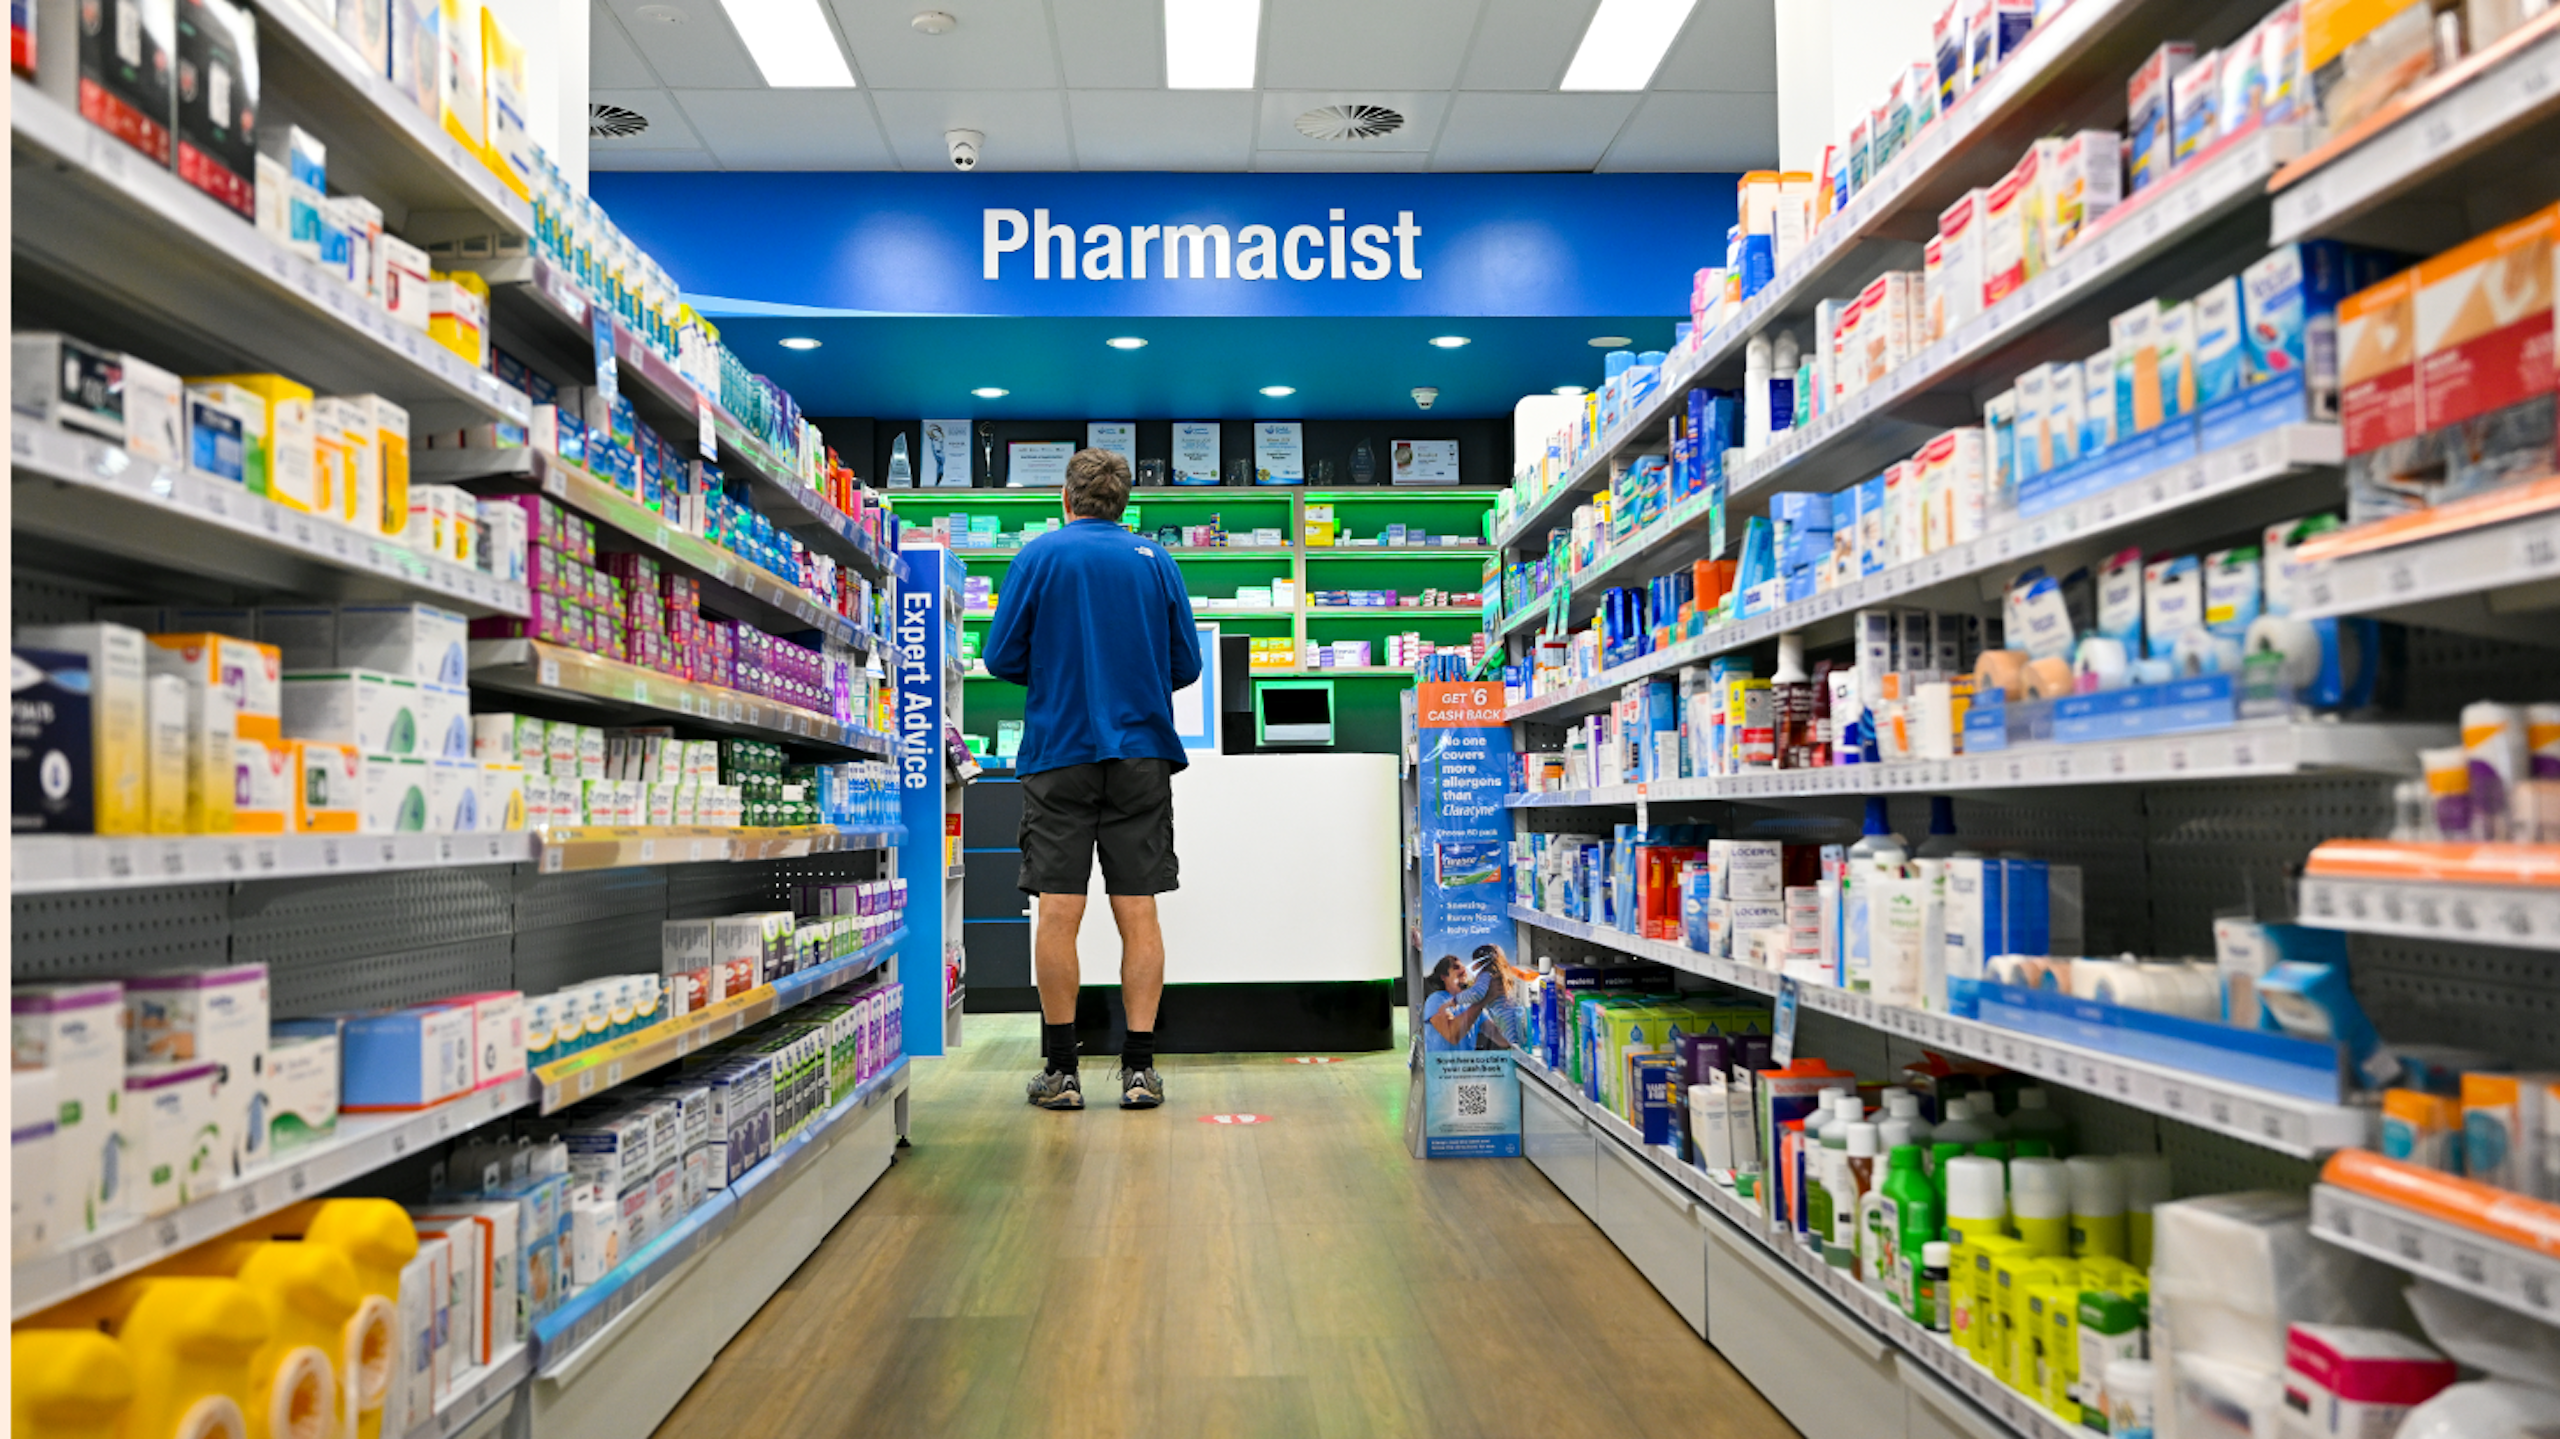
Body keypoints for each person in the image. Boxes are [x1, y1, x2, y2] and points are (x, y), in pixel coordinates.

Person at [981, 447, 1201, 1111]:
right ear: (1124, 503)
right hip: (1140, 754)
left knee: (1058, 909)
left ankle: (1061, 1071)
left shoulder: (1039, 557)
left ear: (1066, 499)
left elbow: (998, 656)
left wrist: (1057, 670)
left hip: (1059, 754)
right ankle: (1139, 1070)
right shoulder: (1154, 561)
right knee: (1139, 909)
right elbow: (1186, 664)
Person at [1421, 954, 1505, 1053]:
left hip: (1465, 1066)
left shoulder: (1471, 1005)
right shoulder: (1436, 999)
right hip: (1441, 1066)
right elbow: (1452, 1035)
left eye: (1464, 968)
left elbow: (1500, 1038)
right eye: (1456, 968)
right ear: (1443, 976)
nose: (1464, 970)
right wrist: (1483, 1000)